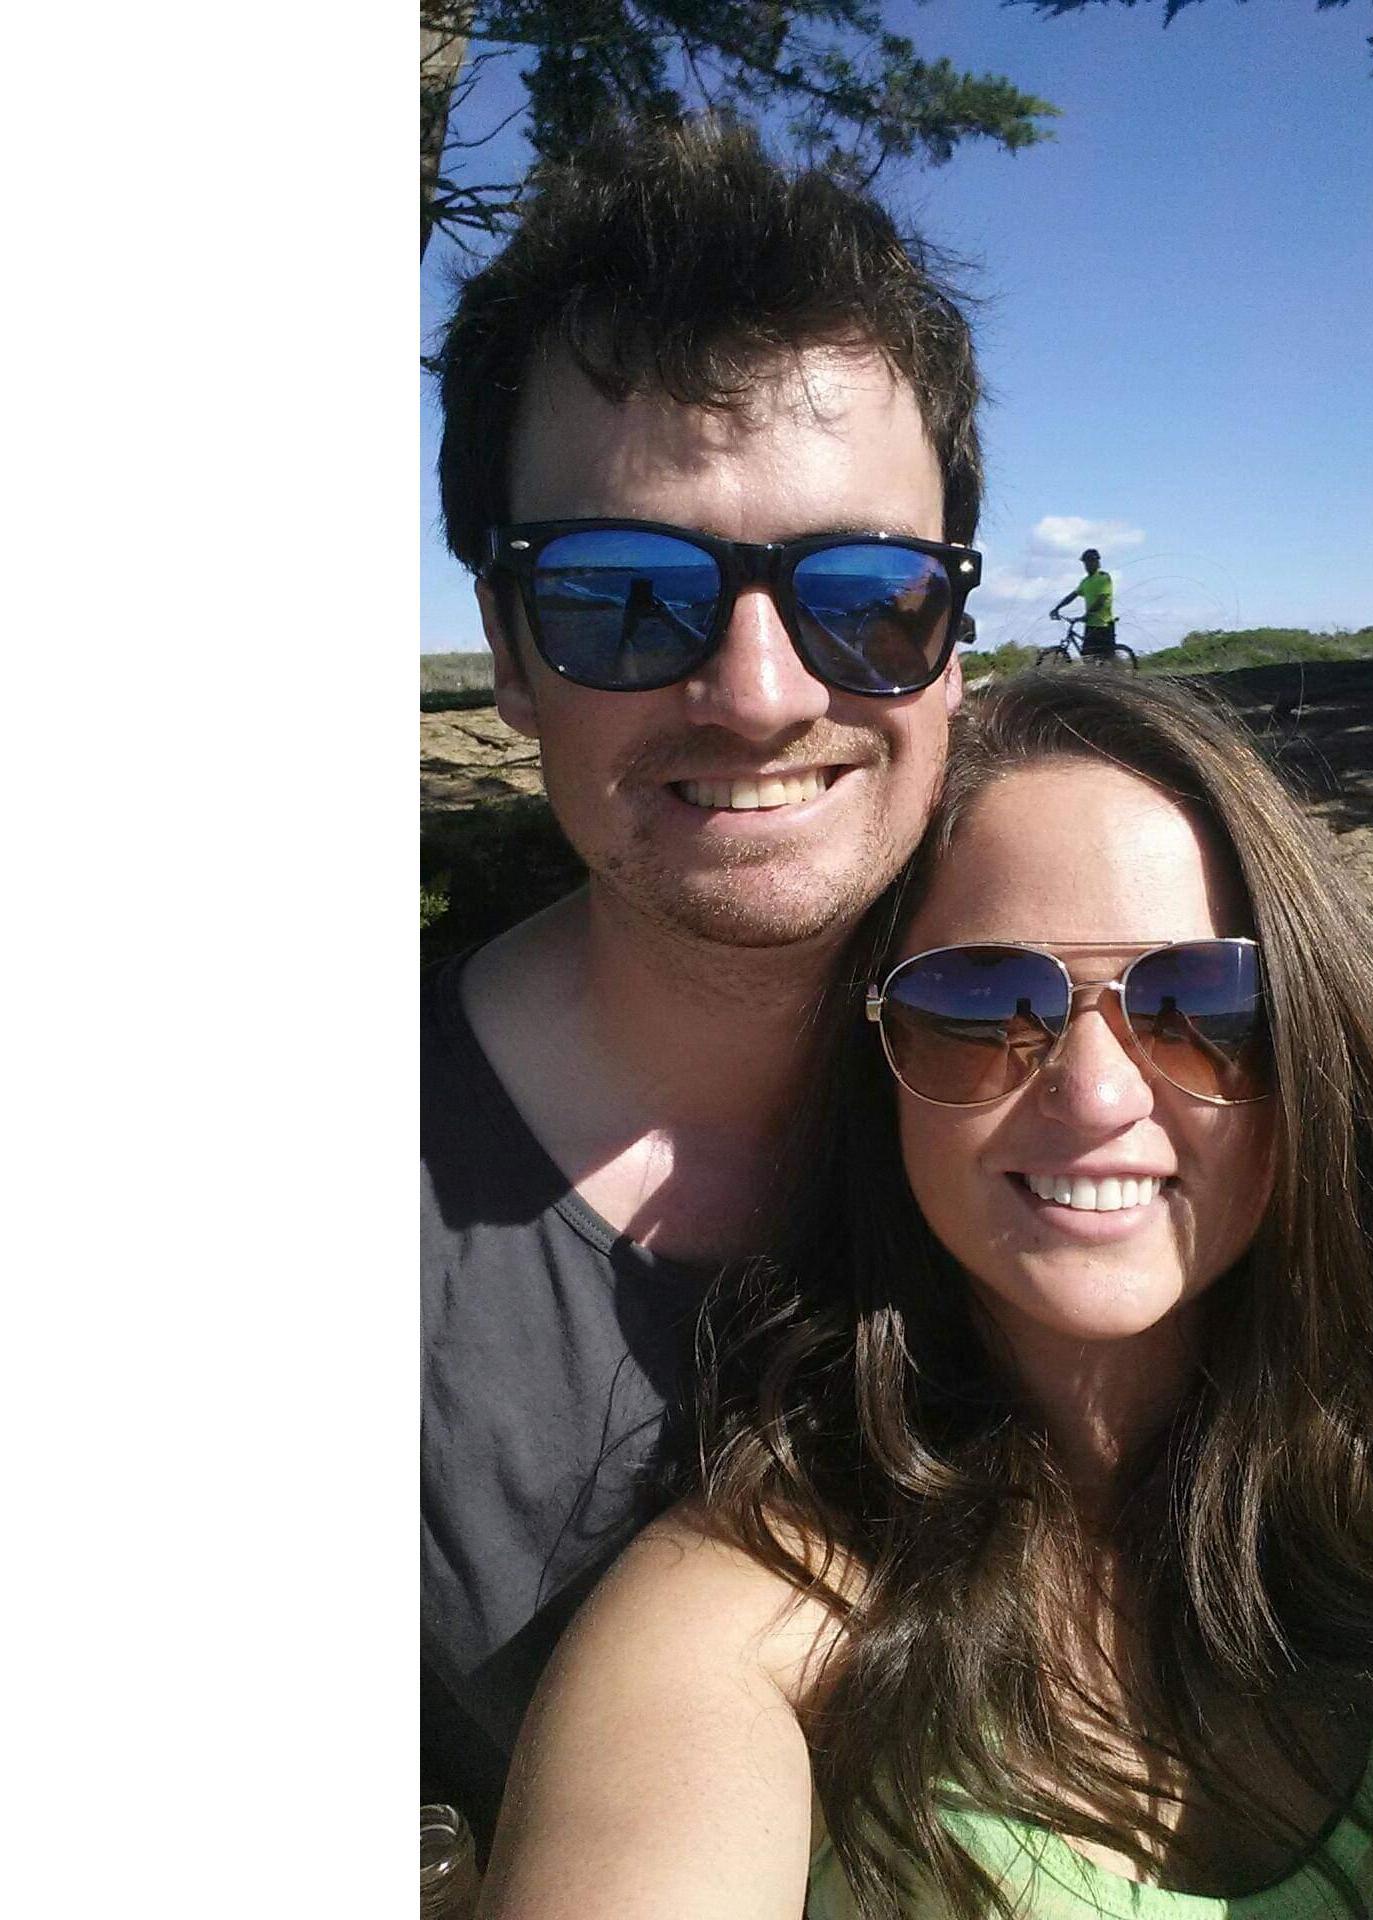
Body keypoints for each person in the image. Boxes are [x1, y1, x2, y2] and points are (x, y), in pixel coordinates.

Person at [478, 673, 1373, 1918]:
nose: (1096, 1096)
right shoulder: (739, 1636)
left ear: (1315, 1043)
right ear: (878, 1066)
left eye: (1202, 1001)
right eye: (981, 1005)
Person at [422, 118, 987, 1841]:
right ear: (512, 655)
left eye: (866, 597)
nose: (754, 694)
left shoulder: (1143, 1063)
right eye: (621, 597)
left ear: (953, 637)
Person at [1049, 547, 1117, 657]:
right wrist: (1057, 608)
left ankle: (1118, 672)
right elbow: (1072, 596)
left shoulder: (1103, 578)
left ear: (1097, 562)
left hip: (1104, 624)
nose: (1087, 565)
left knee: (1106, 657)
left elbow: (1101, 600)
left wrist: (1087, 614)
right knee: (1087, 657)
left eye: (1090, 562)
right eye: (1085, 563)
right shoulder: (1085, 581)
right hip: (1090, 624)